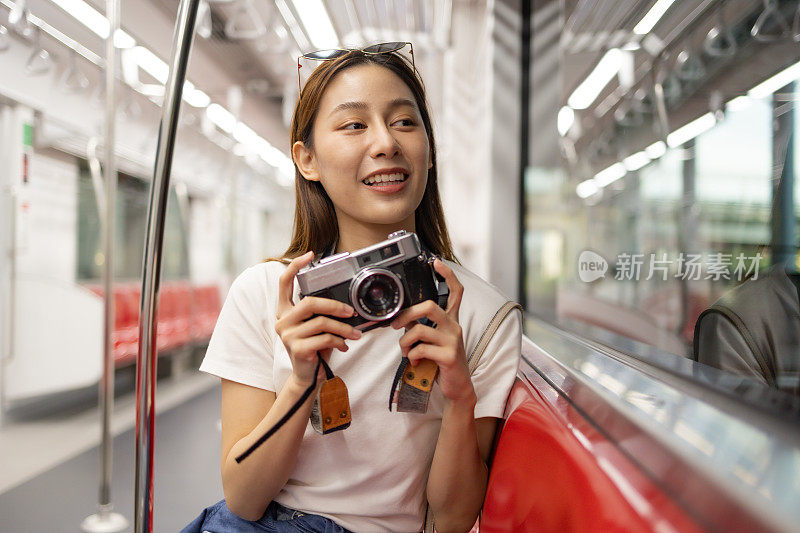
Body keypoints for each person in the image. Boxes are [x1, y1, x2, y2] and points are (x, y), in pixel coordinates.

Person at [187, 44, 522, 533]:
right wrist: (301, 380)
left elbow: (451, 521)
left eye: (405, 122)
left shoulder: (482, 315)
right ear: (307, 160)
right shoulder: (266, 294)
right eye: (354, 125)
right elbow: (244, 498)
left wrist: (460, 396)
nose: (386, 143)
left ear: (429, 153)